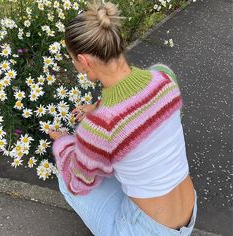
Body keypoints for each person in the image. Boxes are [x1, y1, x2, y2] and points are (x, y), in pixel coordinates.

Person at [48, 1, 198, 235]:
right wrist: (98, 107)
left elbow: (78, 182)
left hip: (145, 229)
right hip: (189, 210)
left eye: (73, 59)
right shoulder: (163, 78)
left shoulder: (100, 127)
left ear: (84, 61)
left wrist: (64, 142)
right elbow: (141, 109)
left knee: (66, 175)